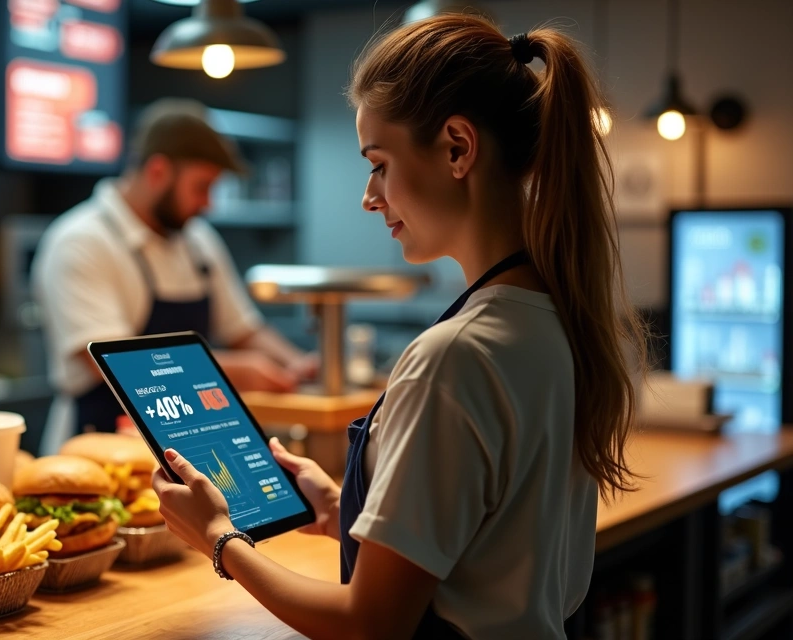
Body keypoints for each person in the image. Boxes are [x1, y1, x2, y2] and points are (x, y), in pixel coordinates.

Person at [152, 15, 648, 640]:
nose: (369, 195)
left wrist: (220, 539)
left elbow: (371, 623)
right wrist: (341, 511)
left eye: (379, 164)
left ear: (457, 148)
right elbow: (489, 547)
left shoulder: (454, 357)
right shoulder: (555, 320)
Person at [33, 99, 316, 456]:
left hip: (194, 446)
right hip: (100, 449)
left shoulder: (198, 241)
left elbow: (244, 330)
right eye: (201, 187)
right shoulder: (81, 241)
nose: (208, 204)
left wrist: (299, 366)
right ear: (158, 171)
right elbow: (115, 367)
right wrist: (237, 373)